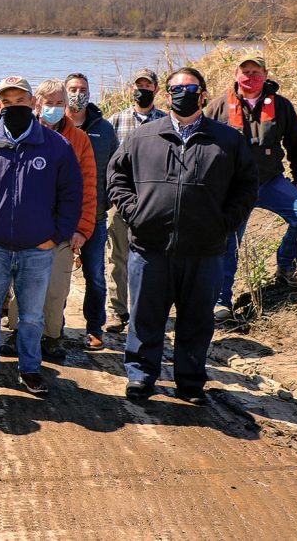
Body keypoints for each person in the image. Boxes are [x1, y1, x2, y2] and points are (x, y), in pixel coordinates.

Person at [107, 67, 258, 404]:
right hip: (150, 247)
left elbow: (247, 185)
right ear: (167, 94)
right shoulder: (143, 136)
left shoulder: (228, 139)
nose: (183, 93)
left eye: (190, 88)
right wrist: (134, 213)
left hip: (204, 250)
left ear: (203, 94)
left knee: (196, 319)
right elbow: (116, 176)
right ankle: (141, 376)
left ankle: (190, 382)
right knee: (145, 315)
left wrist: (225, 222)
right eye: (176, 88)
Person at [0, 76, 82, 395]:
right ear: (0, 104)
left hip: (37, 249)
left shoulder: (55, 147)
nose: (13, 107)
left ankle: (30, 368)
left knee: (32, 316)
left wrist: (56, 236)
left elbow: (71, 193)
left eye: (20, 101)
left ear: (33, 104)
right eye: (7, 102)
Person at [206, 54, 297, 321]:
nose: (250, 77)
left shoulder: (282, 106)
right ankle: (221, 301)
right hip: (232, 188)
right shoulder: (218, 107)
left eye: (256, 72)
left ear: (266, 75)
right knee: (228, 242)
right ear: (236, 75)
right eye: (245, 72)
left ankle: (286, 265)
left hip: (270, 182)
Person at [5, 78, 97, 356]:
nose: (54, 108)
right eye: (49, 103)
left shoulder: (79, 139)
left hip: (64, 228)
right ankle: (18, 333)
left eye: (60, 103)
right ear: (37, 104)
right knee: (23, 285)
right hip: (27, 228)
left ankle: (51, 335)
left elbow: (90, 186)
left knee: (56, 289)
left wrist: (82, 229)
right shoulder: (22, 132)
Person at [106, 68, 167, 332]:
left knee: (152, 257)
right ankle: (116, 311)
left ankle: (146, 310)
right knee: (116, 257)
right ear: (131, 89)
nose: (142, 89)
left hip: (154, 202)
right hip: (121, 201)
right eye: (138, 84)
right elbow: (108, 162)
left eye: (148, 85)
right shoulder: (116, 121)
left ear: (156, 89)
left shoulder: (166, 121)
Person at [65, 73, 117, 345]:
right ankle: (53, 327)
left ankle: (95, 328)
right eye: (72, 89)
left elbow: (115, 168)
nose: (77, 93)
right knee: (56, 278)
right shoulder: (53, 125)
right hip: (60, 217)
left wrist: (107, 200)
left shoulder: (104, 129)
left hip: (94, 216)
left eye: (82, 89)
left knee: (95, 276)